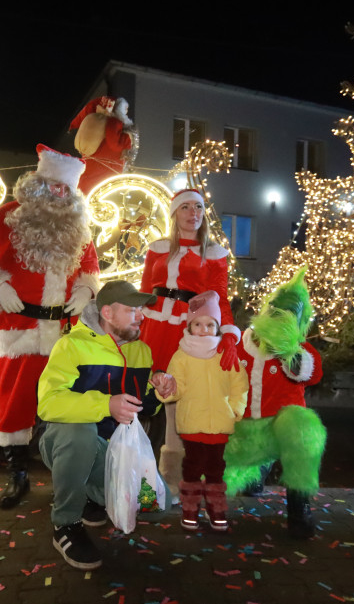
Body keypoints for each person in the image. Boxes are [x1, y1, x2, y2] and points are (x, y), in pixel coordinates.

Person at [0, 145, 100, 510]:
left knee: (67, 405)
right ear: (38, 183)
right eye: (53, 186)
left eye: (65, 189)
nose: (59, 194)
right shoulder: (9, 217)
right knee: (15, 403)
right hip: (18, 328)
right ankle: (18, 476)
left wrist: (87, 289)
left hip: (64, 334)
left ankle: (70, 478)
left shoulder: (79, 228)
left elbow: (91, 267)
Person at [37, 280, 176, 569]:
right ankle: (66, 523)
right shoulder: (71, 346)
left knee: (158, 507)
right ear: (108, 313)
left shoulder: (141, 351)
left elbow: (144, 406)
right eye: (133, 309)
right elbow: (48, 403)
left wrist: (158, 390)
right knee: (81, 432)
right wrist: (105, 405)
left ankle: (93, 496)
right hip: (68, 443)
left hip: (112, 454)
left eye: (142, 310)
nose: (142, 315)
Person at [139, 188, 240, 496]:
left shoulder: (214, 253)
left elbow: (219, 299)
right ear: (174, 213)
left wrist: (228, 334)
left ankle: (173, 476)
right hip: (154, 329)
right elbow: (144, 291)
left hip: (188, 331)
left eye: (198, 207)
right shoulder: (157, 248)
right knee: (146, 398)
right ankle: (138, 470)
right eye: (186, 207)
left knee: (179, 400)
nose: (194, 213)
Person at [223, 269, 325, 539]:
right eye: (276, 315)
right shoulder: (237, 344)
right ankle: (255, 471)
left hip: (279, 429)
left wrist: (288, 350)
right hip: (240, 432)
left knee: (303, 428)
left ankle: (299, 508)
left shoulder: (298, 351)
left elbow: (312, 373)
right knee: (216, 475)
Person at [156, 291, 248, 531]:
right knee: (193, 467)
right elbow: (177, 386)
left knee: (216, 469)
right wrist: (167, 387)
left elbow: (240, 385)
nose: (204, 329)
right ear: (190, 326)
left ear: (218, 328)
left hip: (219, 423)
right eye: (197, 324)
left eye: (210, 324)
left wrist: (235, 409)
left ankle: (216, 510)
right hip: (193, 424)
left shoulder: (226, 353)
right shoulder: (182, 355)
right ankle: (190, 509)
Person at [69, 96, 135, 195]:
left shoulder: (93, 124)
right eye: (125, 109)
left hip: (90, 177)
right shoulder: (114, 124)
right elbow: (115, 144)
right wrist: (128, 139)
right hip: (104, 178)